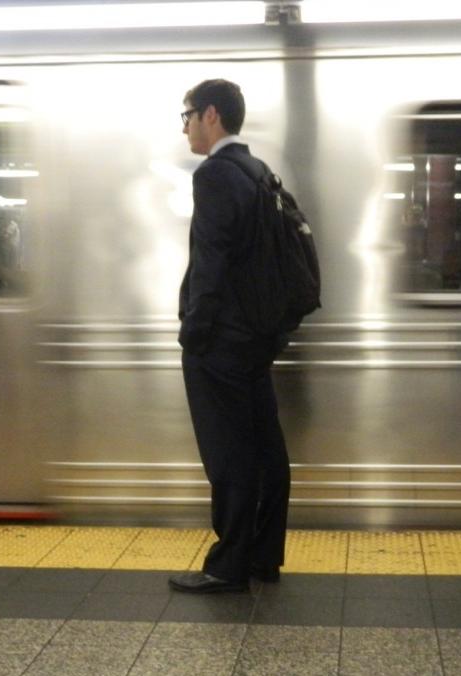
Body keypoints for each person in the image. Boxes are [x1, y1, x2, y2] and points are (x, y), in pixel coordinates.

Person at [169, 79, 290, 594]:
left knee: (229, 454)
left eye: (188, 116)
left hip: (221, 341)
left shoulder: (216, 174)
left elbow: (211, 263)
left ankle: (227, 565)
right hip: (256, 338)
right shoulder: (258, 172)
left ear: (211, 115)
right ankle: (263, 554)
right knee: (265, 447)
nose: (186, 127)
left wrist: (194, 332)